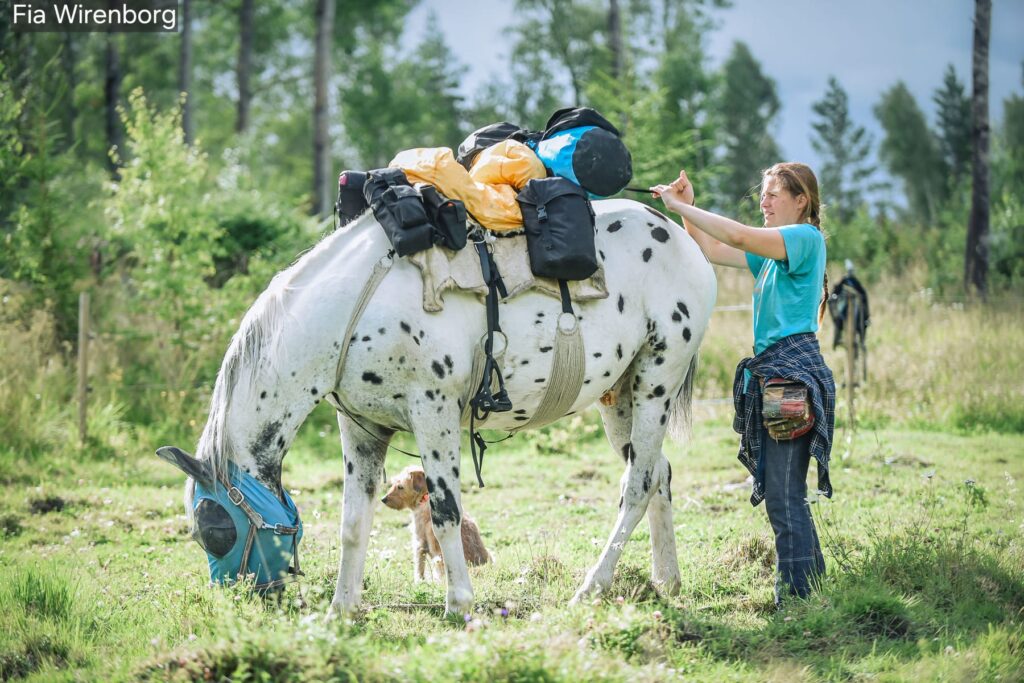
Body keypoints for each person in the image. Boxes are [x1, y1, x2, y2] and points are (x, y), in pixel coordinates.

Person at [653, 163, 836, 605]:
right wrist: (687, 209)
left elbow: (736, 235)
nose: (764, 202)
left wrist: (678, 204)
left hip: (790, 377)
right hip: (777, 376)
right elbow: (714, 246)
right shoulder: (775, 253)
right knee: (785, 489)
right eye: (764, 194)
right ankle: (812, 582)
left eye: (774, 195)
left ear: (801, 201)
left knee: (782, 493)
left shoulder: (804, 239)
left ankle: (794, 598)